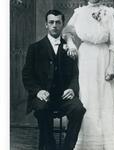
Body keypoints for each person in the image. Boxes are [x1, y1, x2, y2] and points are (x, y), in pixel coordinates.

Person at [63, 0, 114, 149]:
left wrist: (111, 66)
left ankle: (107, 142)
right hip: (85, 57)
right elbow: (67, 31)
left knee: (105, 97)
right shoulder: (79, 13)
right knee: (86, 96)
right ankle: (86, 142)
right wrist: (72, 44)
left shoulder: (108, 12)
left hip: (103, 57)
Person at [22, 10, 86, 150]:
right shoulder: (35, 48)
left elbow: (76, 74)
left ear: (63, 24)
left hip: (64, 97)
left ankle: (67, 147)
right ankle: (50, 145)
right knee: (41, 108)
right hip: (44, 96)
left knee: (78, 109)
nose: (54, 25)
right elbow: (27, 75)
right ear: (46, 25)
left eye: (58, 22)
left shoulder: (70, 49)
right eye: (51, 22)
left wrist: (72, 89)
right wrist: (38, 91)